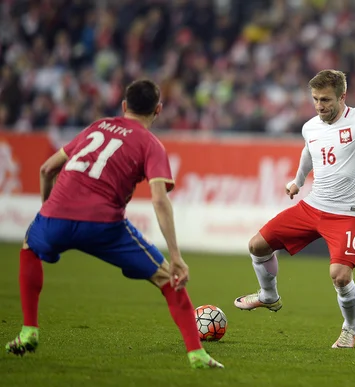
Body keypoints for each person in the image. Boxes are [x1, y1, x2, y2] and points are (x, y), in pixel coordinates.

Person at [5, 80, 224, 370]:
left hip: (55, 217)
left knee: (29, 247)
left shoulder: (97, 127)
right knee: (167, 279)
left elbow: (47, 168)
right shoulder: (151, 144)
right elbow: (159, 201)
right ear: (158, 110)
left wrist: (46, 212)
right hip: (104, 224)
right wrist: (176, 257)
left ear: (124, 106)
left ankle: (29, 331)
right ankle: (197, 355)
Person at [233, 69, 355, 348]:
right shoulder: (310, 126)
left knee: (340, 276)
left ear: (342, 96)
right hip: (312, 206)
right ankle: (268, 294)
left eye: (326, 100)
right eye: (316, 99)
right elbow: (309, 151)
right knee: (257, 246)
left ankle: (350, 329)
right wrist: (297, 182)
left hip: (346, 214)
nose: (320, 106)